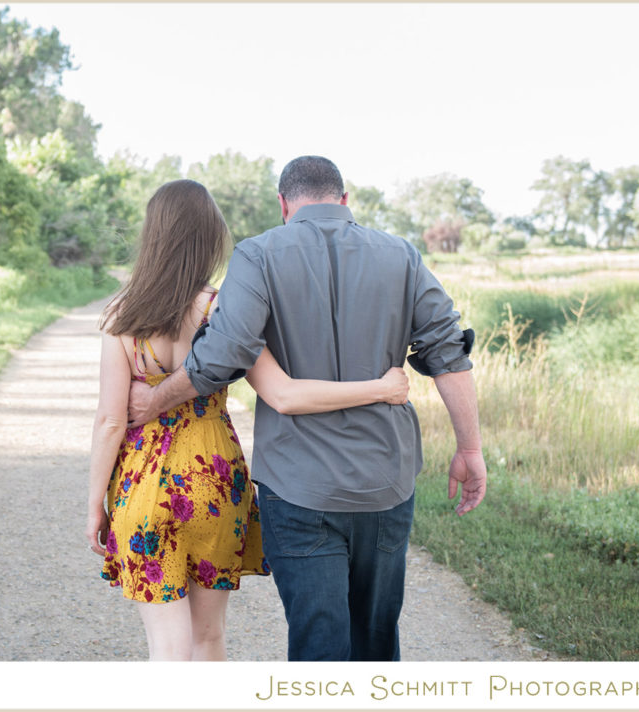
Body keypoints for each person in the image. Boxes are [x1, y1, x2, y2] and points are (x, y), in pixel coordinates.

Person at [126, 157, 487, 662]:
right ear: (344, 199)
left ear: (283, 203)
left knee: (318, 644)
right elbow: (448, 352)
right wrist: (470, 448)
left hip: (297, 487)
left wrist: (155, 399)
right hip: (384, 481)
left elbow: (223, 353)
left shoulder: (257, 256)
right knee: (376, 638)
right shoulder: (402, 256)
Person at [86, 178, 412, 661]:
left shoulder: (121, 315)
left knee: (166, 646)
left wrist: (95, 504)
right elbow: (283, 392)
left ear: (151, 236)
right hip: (214, 482)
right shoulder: (222, 308)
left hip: (144, 485)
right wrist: (382, 388)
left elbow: (111, 421)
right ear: (210, 238)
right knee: (209, 636)